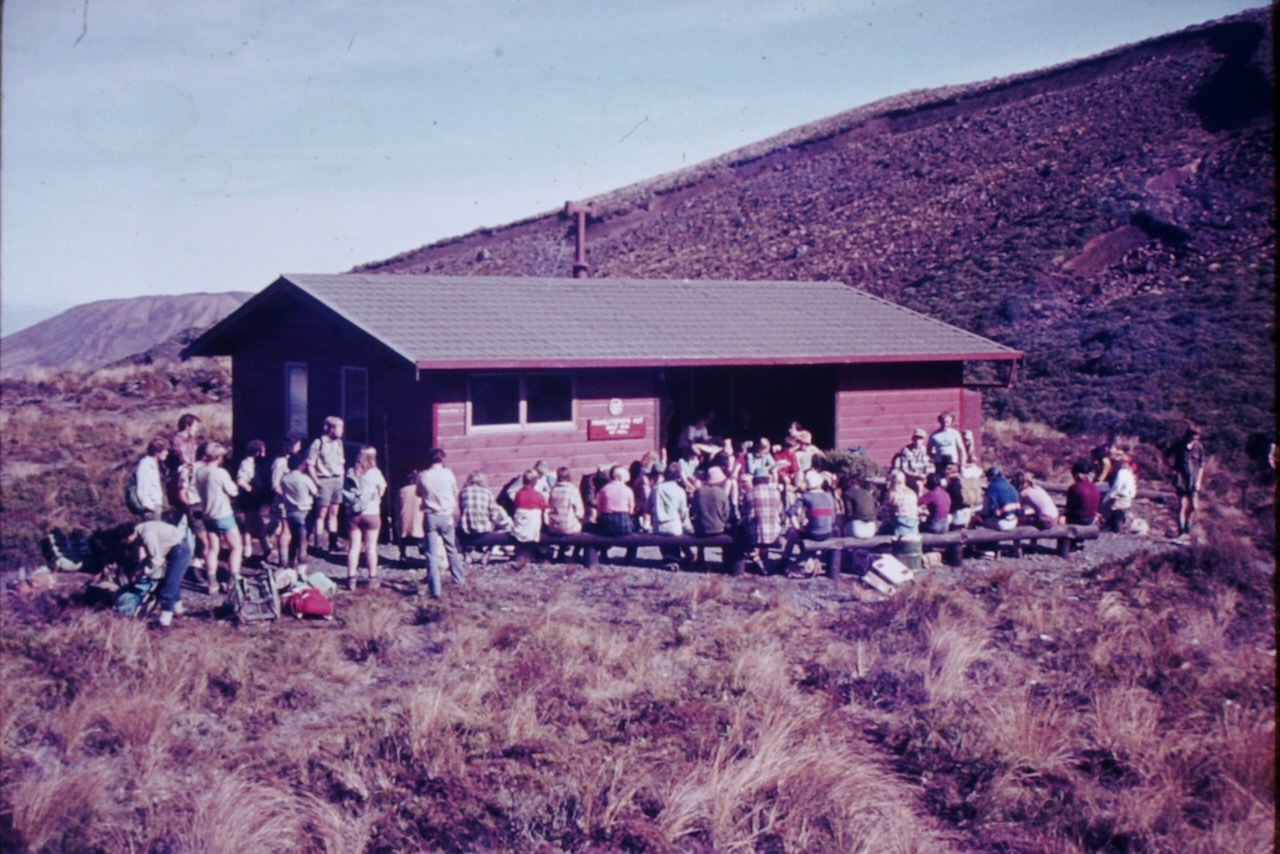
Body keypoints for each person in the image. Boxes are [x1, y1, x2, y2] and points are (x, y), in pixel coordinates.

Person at [124, 518, 193, 627]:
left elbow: (156, 560)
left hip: (180, 550)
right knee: (171, 583)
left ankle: (164, 624)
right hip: (173, 548)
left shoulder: (146, 535)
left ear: (129, 536)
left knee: (168, 588)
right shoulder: (140, 529)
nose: (126, 543)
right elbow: (150, 557)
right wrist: (138, 570)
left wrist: (143, 573)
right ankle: (179, 614)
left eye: (125, 540)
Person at [194, 442, 242, 594]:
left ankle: (211, 581)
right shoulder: (220, 473)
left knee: (213, 548)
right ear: (218, 457)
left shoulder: (199, 472)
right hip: (223, 514)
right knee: (236, 547)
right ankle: (233, 579)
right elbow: (233, 491)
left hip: (208, 515)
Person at [416, 448, 464, 599]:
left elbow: (419, 493)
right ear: (442, 459)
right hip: (446, 515)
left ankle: (435, 588)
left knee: (431, 553)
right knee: (451, 548)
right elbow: (454, 490)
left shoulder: (423, 475)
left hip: (431, 515)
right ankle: (458, 580)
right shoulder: (448, 474)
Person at [344, 446, 387, 590]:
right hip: (372, 513)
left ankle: (351, 579)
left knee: (353, 547)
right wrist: (377, 496)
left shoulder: (351, 471)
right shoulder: (375, 473)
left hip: (354, 514)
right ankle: (372, 578)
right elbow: (383, 488)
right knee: (371, 548)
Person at [778, 470, 837, 571]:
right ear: (820, 483)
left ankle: (785, 560)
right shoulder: (829, 496)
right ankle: (810, 557)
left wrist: (796, 525)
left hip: (814, 534)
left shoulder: (806, 496)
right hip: (827, 532)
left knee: (793, 533)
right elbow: (832, 519)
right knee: (808, 529)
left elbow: (790, 512)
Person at [306, 416, 346, 553]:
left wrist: (342, 477)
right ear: (332, 428)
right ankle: (318, 543)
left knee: (334, 512)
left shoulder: (339, 443)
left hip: (337, 480)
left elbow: (342, 462)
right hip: (324, 480)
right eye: (340, 428)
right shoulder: (318, 443)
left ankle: (333, 542)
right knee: (321, 513)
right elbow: (310, 464)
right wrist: (316, 482)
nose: (342, 431)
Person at [457, 471, 512, 559]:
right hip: (484, 529)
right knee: (497, 526)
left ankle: (467, 554)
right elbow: (493, 514)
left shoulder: (463, 492)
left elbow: (462, 510)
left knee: (461, 525)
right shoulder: (487, 493)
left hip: (466, 529)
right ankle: (487, 553)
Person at [269, 434, 304, 567]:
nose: (300, 447)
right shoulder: (280, 463)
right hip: (284, 501)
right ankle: (283, 559)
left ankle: (289, 558)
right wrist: (286, 496)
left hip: (292, 502)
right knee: (285, 530)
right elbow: (275, 484)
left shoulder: (292, 460)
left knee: (291, 531)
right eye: (298, 444)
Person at [739, 467, 783, 572]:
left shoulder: (748, 494)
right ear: (767, 479)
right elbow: (780, 512)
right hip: (774, 533)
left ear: (754, 480)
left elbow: (745, 514)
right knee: (768, 522)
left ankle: (755, 556)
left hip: (754, 535)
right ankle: (763, 559)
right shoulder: (776, 493)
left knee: (740, 530)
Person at [280, 454, 319, 574]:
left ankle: (290, 566)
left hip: (291, 512)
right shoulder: (305, 479)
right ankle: (301, 571)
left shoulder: (284, 479)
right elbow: (315, 492)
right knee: (303, 544)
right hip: (304, 512)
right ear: (300, 465)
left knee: (294, 541)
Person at [650, 462, 693, 569]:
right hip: (674, 527)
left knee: (667, 538)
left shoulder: (656, 489)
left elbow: (648, 508)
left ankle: (670, 559)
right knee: (682, 529)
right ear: (679, 476)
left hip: (658, 526)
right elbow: (683, 512)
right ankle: (680, 557)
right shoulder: (680, 491)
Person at [235, 439, 271, 564]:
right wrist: (251, 490)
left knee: (258, 523)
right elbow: (241, 480)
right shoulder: (247, 464)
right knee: (249, 525)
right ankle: (247, 551)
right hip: (248, 499)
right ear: (257, 452)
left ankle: (266, 548)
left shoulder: (256, 463)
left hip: (254, 499)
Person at [690, 465, 732, 567]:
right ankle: (726, 559)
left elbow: (693, 510)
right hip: (718, 529)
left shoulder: (698, 492)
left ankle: (700, 557)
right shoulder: (722, 493)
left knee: (700, 523)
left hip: (701, 529)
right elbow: (726, 514)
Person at [1169, 426, 1206, 538]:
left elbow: (1201, 465)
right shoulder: (1179, 445)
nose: (1195, 437)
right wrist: (1172, 469)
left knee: (1194, 506)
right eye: (1193, 434)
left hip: (1193, 480)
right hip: (1181, 479)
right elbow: (1165, 454)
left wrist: (1199, 480)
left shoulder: (1199, 447)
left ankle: (1188, 525)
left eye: (1197, 435)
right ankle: (1181, 530)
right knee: (1182, 505)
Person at [596, 465, 638, 563]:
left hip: (606, 522)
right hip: (623, 522)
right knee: (636, 531)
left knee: (599, 528)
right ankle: (630, 556)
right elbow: (631, 510)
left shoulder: (604, 489)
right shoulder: (628, 490)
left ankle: (604, 554)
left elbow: (599, 508)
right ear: (621, 477)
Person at [511, 470, 549, 567]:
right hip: (533, 528)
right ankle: (535, 552)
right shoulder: (538, 495)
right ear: (535, 482)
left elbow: (516, 507)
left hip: (520, 527)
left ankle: (523, 554)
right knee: (538, 515)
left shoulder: (519, 494)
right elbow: (544, 507)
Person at [546, 466, 585, 561]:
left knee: (562, 520)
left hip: (554, 526)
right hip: (568, 527)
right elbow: (579, 512)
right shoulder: (572, 490)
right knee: (583, 527)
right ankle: (576, 553)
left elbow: (549, 507)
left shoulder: (553, 490)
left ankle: (561, 552)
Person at [133, 437, 169, 521]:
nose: (167, 453)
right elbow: (142, 490)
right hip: (151, 509)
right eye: (165, 450)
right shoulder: (145, 466)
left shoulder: (154, 465)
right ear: (157, 452)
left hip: (156, 507)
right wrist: (150, 507)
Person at [395, 470, 426, 562]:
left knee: (402, 534)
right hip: (419, 520)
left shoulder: (401, 491)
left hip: (404, 520)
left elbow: (397, 507)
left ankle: (402, 554)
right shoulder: (421, 491)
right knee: (421, 534)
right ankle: (423, 550)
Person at [980, 466, 1021, 531]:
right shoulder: (1010, 486)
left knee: (979, 520)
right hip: (1015, 521)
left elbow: (985, 511)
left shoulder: (991, 488)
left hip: (1002, 523)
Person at [1103, 454, 1137, 533]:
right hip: (1128, 497)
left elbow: (1116, 488)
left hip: (1121, 497)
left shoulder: (1121, 473)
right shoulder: (1129, 472)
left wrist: (1106, 498)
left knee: (1107, 506)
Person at [892, 429, 932, 494]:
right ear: (913, 439)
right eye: (916, 438)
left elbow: (928, 464)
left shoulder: (924, 450)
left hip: (923, 475)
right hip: (910, 476)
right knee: (919, 485)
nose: (918, 441)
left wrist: (926, 474)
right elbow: (904, 469)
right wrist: (917, 475)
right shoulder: (907, 450)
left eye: (920, 439)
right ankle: (919, 502)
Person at [840, 474, 879, 538]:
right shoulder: (867, 493)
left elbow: (849, 513)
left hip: (857, 528)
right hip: (871, 529)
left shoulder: (848, 493)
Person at [1063, 460, 1102, 526]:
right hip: (1091, 518)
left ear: (1077, 475)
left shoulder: (1074, 488)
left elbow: (1069, 508)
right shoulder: (1094, 487)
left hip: (1079, 520)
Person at [885, 470, 920, 536]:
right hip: (914, 521)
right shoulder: (911, 492)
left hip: (901, 521)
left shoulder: (893, 493)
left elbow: (886, 512)